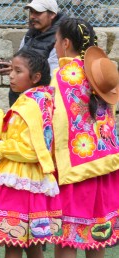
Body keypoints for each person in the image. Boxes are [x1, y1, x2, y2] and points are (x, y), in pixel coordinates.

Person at [0, 49, 62, 258]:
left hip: (18, 182)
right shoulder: (37, 99)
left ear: (35, 77)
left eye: (18, 71)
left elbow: (33, 150)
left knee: (12, 242)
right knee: (32, 243)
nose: (11, 75)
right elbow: (13, 131)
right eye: (12, 69)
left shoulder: (31, 104)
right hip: (33, 181)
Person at [52, 17, 119, 258]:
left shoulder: (62, 75)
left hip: (75, 170)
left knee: (67, 239)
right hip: (106, 166)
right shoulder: (100, 70)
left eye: (56, 41)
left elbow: (55, 122)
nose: (55, 46)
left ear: (66, 43)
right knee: (97, 237)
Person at [0, 0, 66, 106]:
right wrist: (13, 68)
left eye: (38, 13)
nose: (32, 16)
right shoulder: (29, 36)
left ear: (52, 14)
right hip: (22, 99)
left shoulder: (58, 41)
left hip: (39, 103)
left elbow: (53, 77)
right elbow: (23, 61)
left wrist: (21, 71)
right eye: (31, 12)